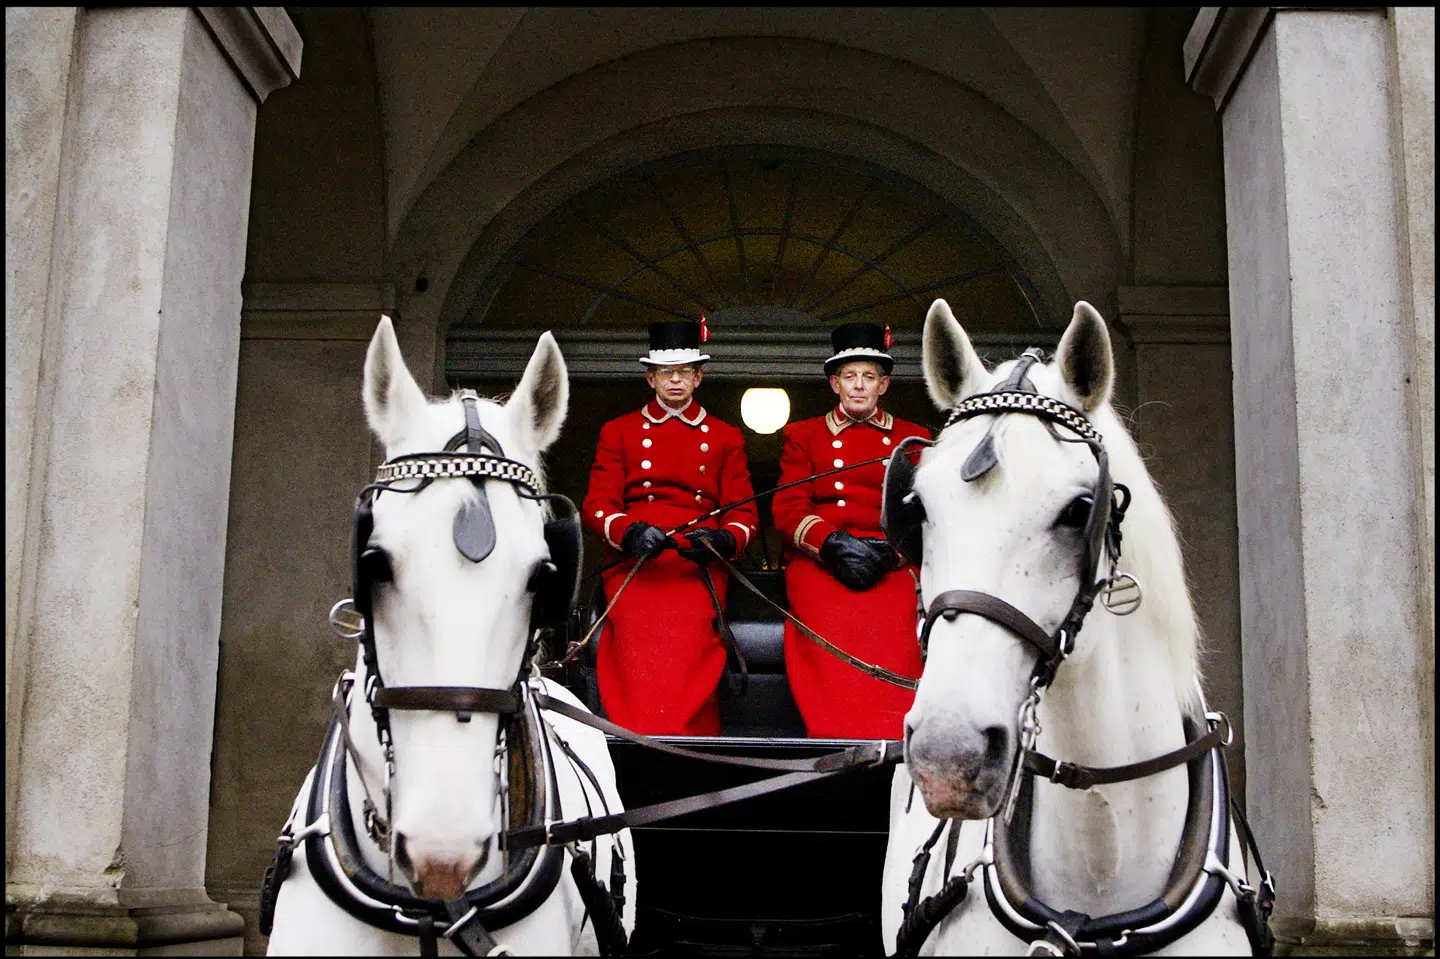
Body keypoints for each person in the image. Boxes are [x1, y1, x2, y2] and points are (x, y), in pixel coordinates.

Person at [581, 318, 758, 735]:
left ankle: (687, 746)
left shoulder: (724, 436)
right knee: (634, 650)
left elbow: (745, 514)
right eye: (665, 372)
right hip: (636, 567)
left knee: (693, 649)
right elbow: (597, 504)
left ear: (698, 377)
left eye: (683, 372)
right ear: (650, 378)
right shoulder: (619, 432)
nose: (675, 380)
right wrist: (628, 531)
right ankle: (632, 743)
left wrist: (721, 539)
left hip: (696, 571)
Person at [771, 322, 931, 739]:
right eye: (849, 376)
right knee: (831, 643)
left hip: (891, 565)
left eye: (869, 377)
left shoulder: (914, 440)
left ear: (884, 385)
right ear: (834, 384)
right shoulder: (803, 435)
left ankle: (894, 745)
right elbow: (788, 508)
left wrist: (893, 553)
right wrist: (831, 544)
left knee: (903, 636)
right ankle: (836, 741)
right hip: (824, 564)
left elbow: (926, 513)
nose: (858, 386)